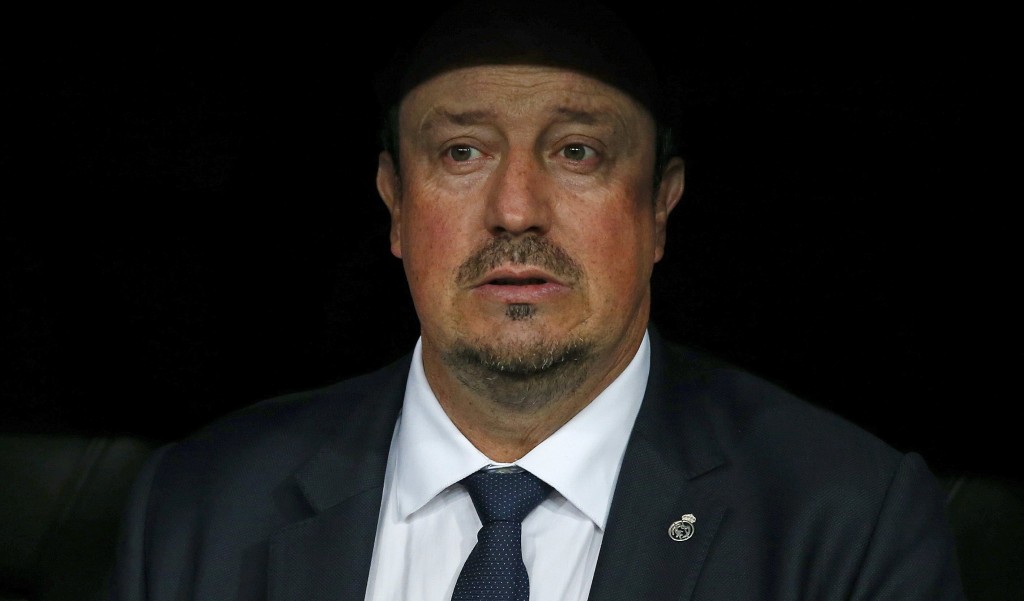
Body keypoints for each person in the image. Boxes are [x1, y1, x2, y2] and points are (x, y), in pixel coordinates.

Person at [109, 2, 966, 599]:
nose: (516, 209)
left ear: (661, 205)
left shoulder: (847, 524)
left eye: (577, 151)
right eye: (462, 152)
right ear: (394, 202)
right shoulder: (197, 506)